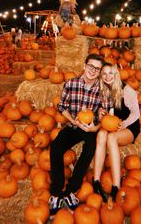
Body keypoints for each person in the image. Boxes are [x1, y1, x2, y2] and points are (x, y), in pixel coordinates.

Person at [49, 54, 112, 215]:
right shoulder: (71, 83)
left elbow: (106, 116)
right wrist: (74, 121)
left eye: (97, 69)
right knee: (56, 146)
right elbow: (62, 107)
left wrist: (95, 127)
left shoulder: (103, 89)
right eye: (91, 66)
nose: (93, 70)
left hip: (90, 127)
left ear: (99, 72)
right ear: (84, 66)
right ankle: (56, 192)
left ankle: (72, 189)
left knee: (90, 149)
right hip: (74, 125)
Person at [92, 63, 140, 202]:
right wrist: (100, 112)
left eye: (110, 73)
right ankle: (96, 181)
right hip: (112, 124)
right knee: (101, 135)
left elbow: (136, 114)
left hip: (129, 126)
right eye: (104, 74)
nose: (107, 77)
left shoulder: (127, 90)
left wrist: (123, 124)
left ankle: (116, 186)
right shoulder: (103, 90)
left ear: (116, 74)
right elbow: (106, 112)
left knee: (111, 138)